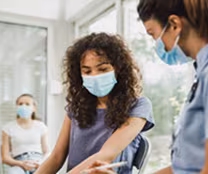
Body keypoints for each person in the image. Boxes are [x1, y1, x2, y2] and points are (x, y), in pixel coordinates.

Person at [89, 0, 208, 173]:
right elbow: (186, 168)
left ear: (174, 25)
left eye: (153, 34)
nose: (157, 44)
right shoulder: (207, 75)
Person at [35, 33, 154, 174]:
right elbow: (56, 157)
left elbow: (105, 156)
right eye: (87, 71)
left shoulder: (138, 106)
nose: (95, 76)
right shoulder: (76, 107)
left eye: (103, 69)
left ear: (119, 69)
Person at [1, 94, 49, 174]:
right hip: (18, 163)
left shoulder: (41, 126)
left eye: (27, 104)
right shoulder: (8, 128)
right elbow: (5, 158)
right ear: (16, 107)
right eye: (20, 104)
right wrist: (22, 164)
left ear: (34, 108)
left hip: (38, 162)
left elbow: (47, 152)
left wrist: (41, 164)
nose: (23, 106)